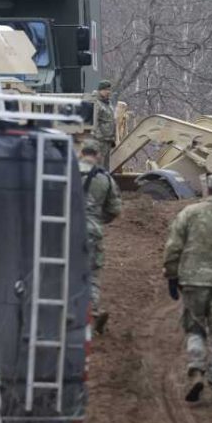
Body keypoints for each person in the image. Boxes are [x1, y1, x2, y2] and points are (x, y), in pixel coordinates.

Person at [163, 175, 212, 404]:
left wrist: (172, 275)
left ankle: (196, 369)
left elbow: (173, 247)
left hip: (192, 282)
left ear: (207, 190)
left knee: (195, 328)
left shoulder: (188, 213)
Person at [80, 140, 122, 334]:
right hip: (91, 231)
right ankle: (92, 312)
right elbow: (115, 209)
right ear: (98, 155)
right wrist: (97, 220)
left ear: (81, 153)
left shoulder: (66, 171)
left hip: (63, 228)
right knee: (91, 275)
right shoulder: (105, 178)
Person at [92, 80, 117, 167]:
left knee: (106, 166)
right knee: (99, 165)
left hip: (107, 140)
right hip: (100, 141)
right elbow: (94, 122)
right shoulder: (97, 103)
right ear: (100, 90)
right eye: (105, 90)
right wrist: (98, 137)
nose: (108, 92)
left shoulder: (107, 103)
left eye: (109, 90)